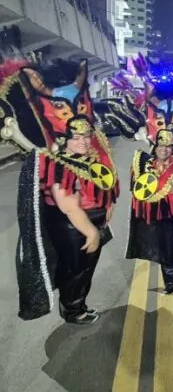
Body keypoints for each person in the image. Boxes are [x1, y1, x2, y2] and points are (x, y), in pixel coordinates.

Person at [39, 116, 119, 323]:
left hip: (92, 221)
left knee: (85, 269)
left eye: (86, 137)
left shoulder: (89, 159)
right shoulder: (59, 164)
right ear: (65, 139)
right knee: (76, 270)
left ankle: (79, 304)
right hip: (75, 228)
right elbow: (69, 207)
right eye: (76, 138)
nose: (83, 142)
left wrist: (108, 205)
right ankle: (73, 311)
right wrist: (91, 232)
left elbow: (102, 185)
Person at [127, 129, 173, 293]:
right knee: (165, 250)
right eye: (161, 145)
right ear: (154, 146)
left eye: (168, 147)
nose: (164, 150)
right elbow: (136, 189)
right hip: (159, 217)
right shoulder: (143, 164)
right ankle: (172, 282)